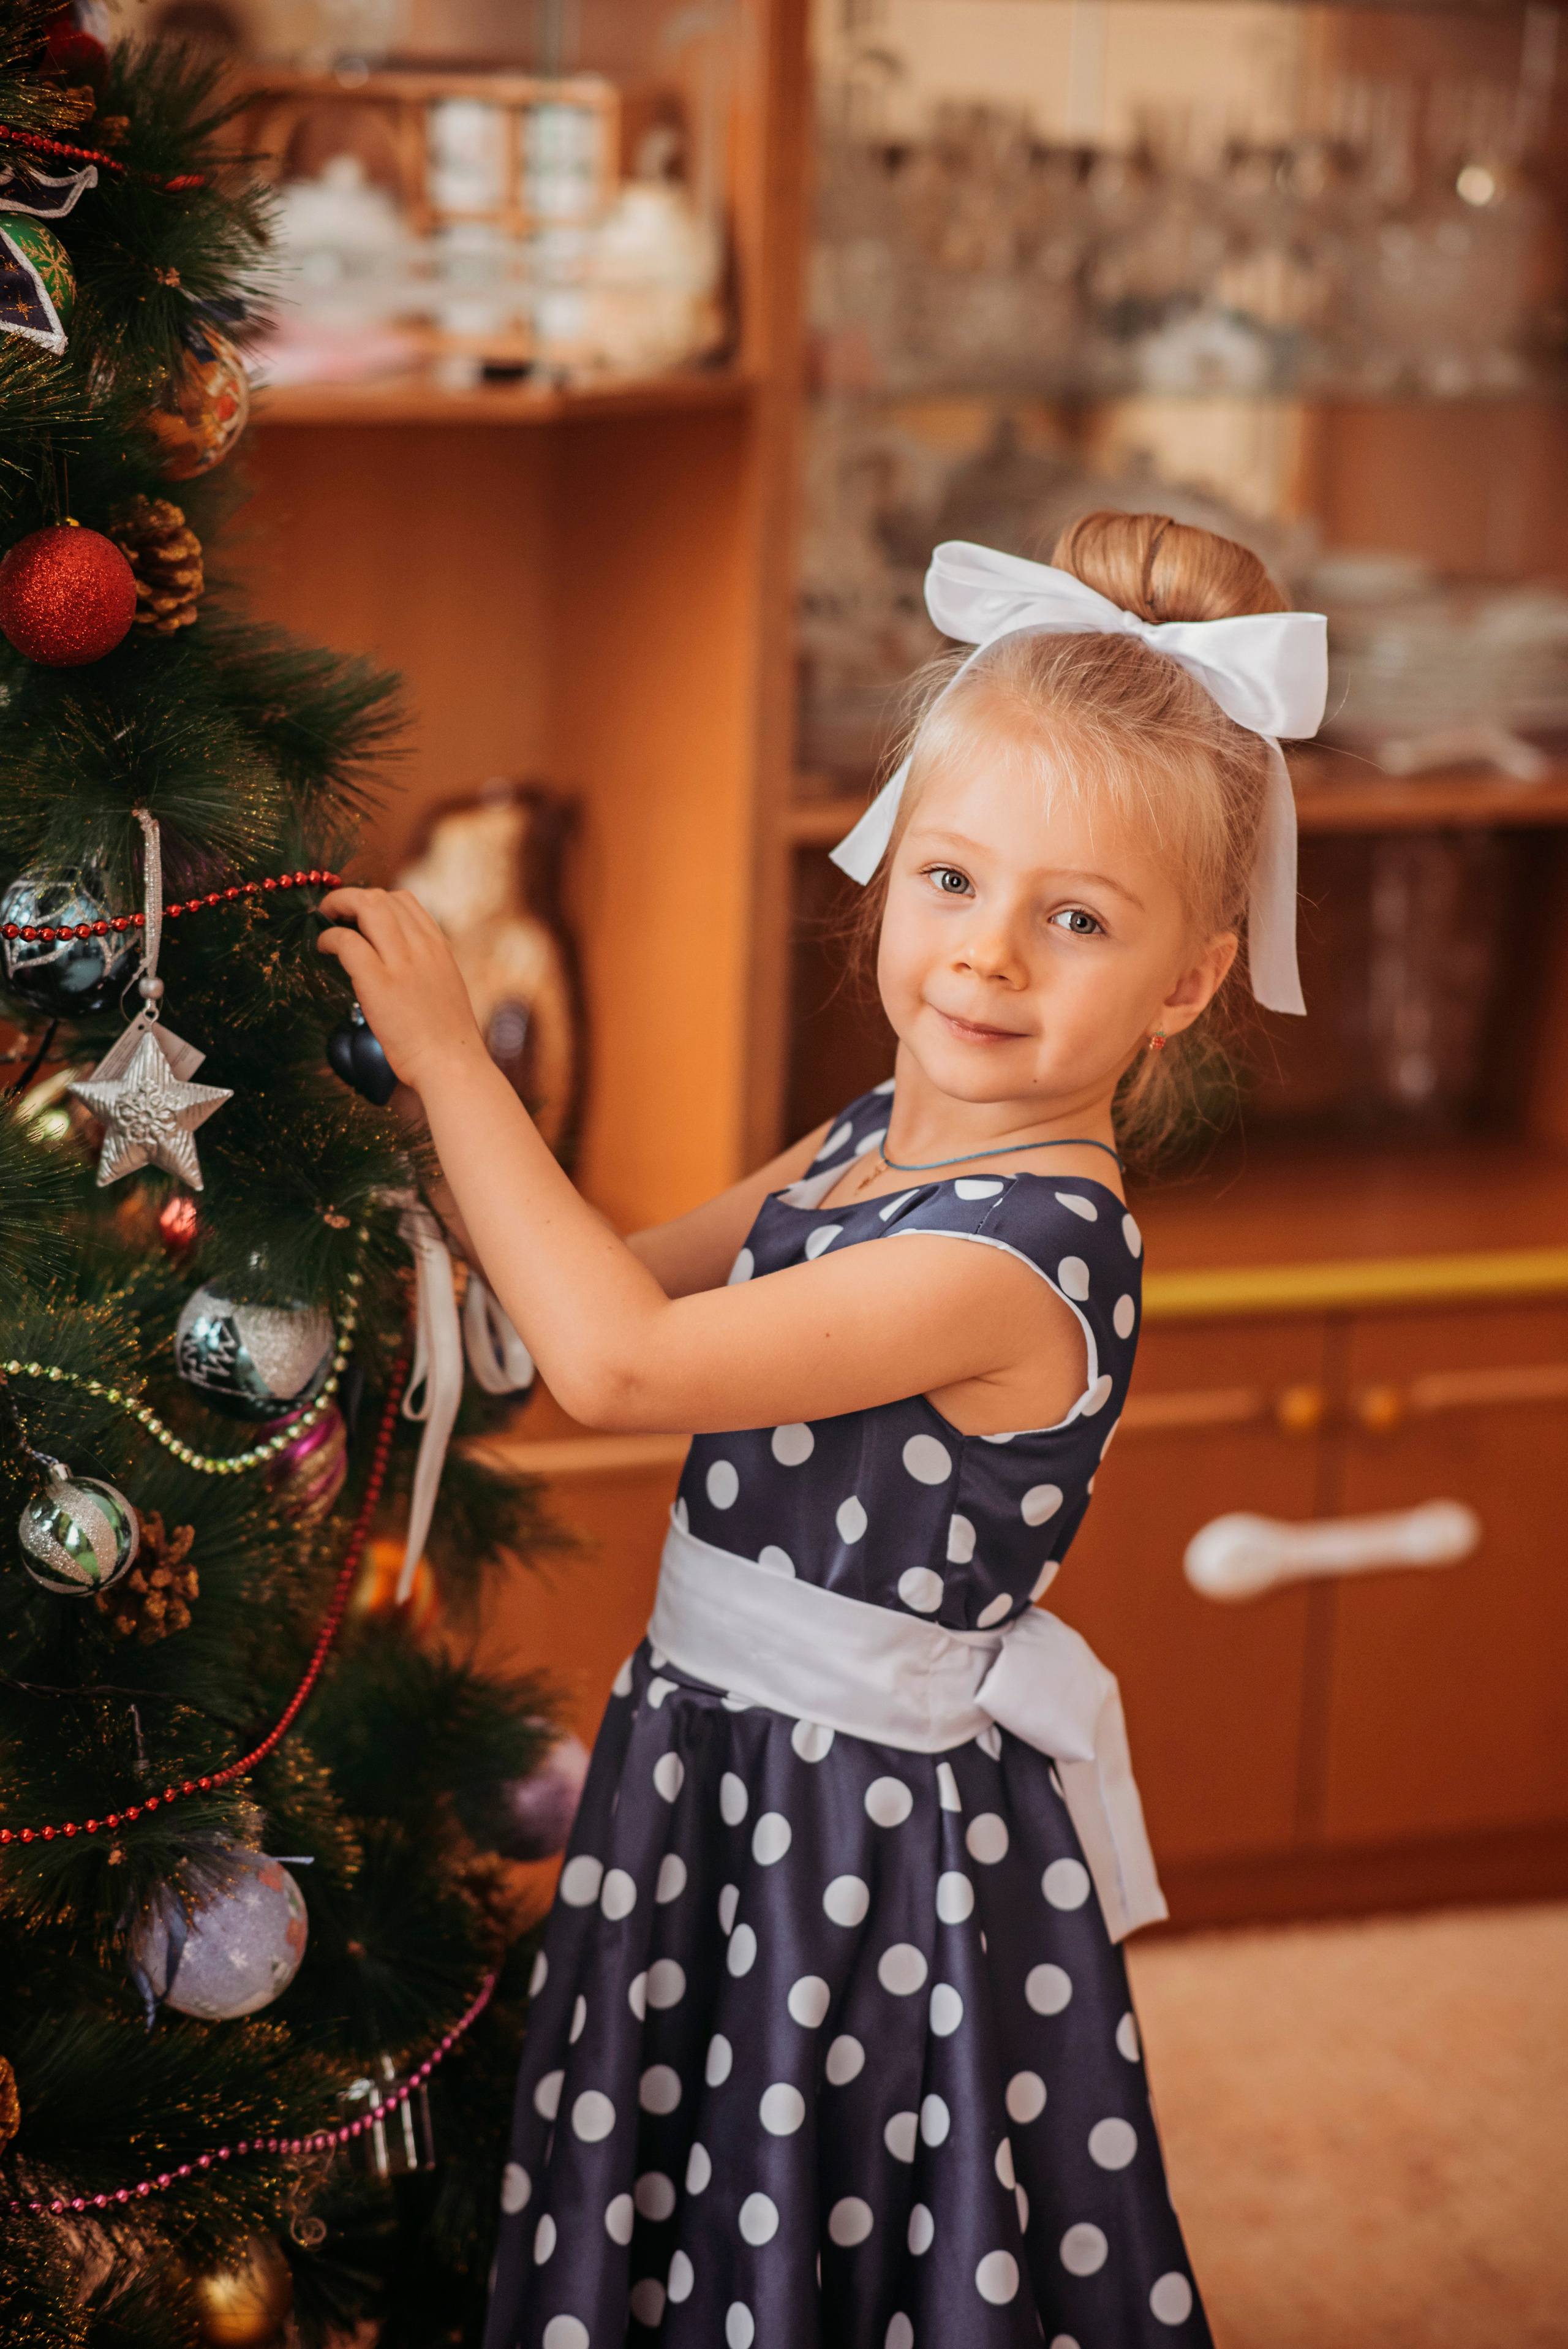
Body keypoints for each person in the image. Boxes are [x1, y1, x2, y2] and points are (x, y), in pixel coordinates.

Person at [317, 510, 1327, 2349]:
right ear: (887, 864)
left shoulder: (1022, 1252)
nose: (987, 957)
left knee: (809, 2202)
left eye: (1076, 917)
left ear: (1187, 980)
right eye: (951, 878)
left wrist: (462, 1056)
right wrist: (400, 1189)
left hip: (847, 1831)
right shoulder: (876, 1130)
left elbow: (625, 1366)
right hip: (711, 1750)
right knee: (675, 2167)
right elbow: (601, 1291)